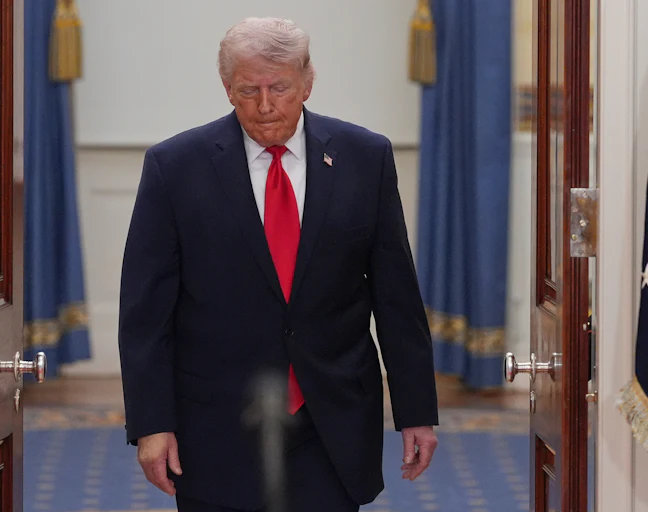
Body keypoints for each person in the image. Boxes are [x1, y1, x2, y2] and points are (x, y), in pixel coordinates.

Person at [118, 17, 439, 512]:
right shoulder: (175, 167)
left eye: (280, 87)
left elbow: (396, 297)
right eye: (248, 90)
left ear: (308, 81)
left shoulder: (364, 157)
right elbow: (146, 314)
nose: (265, 105)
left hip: (331, 415)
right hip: (217, 419)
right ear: (227, 88)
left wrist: (416, 411)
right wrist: (151, 423)